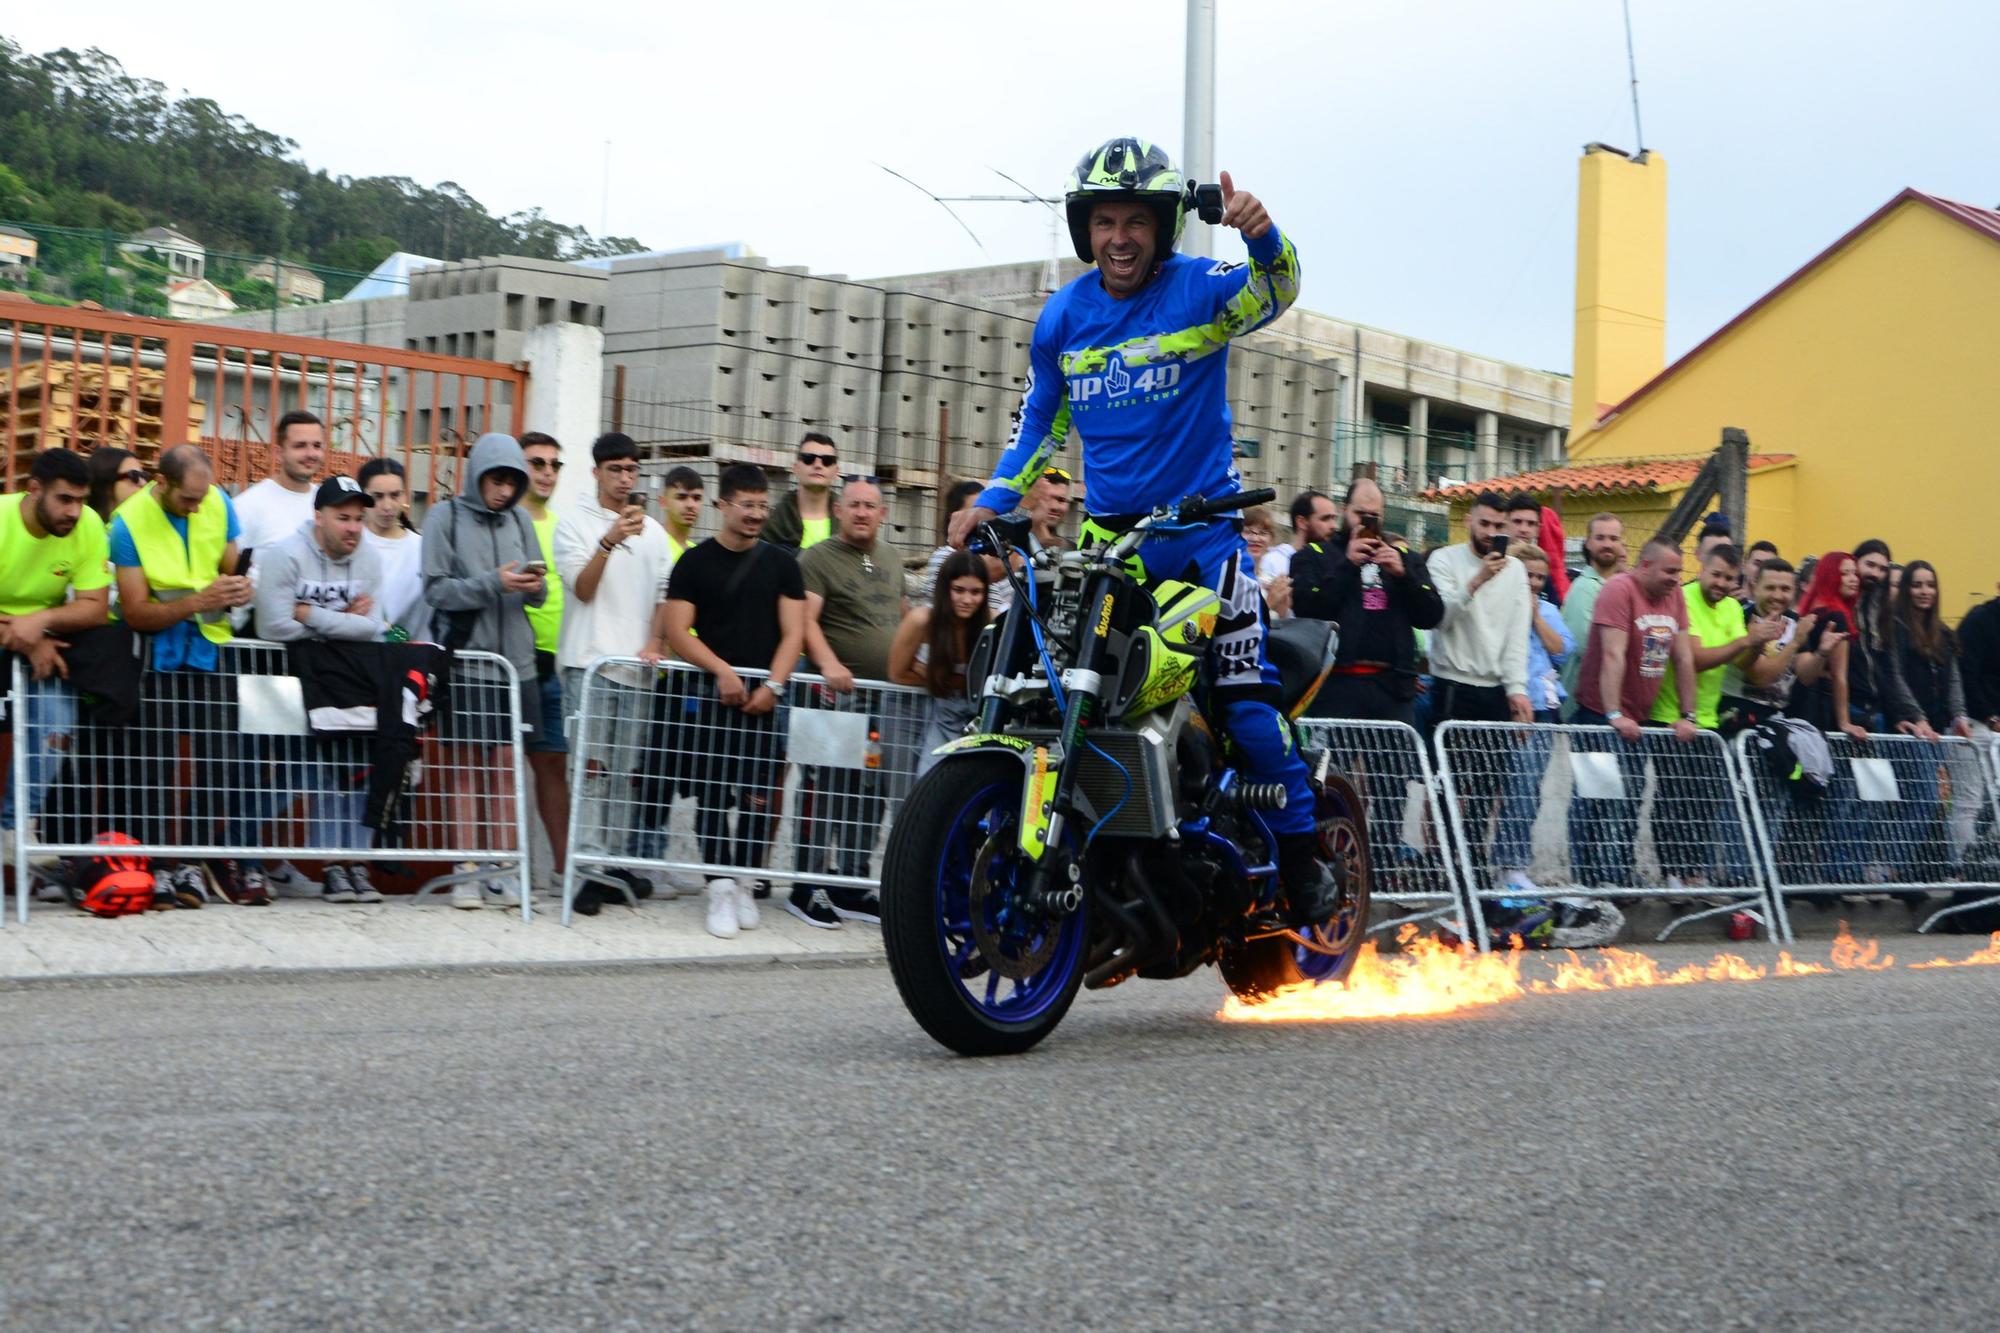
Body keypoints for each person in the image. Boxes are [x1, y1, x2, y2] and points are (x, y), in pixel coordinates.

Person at [946, 136, 1342, 926]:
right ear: (1083, 230)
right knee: (1050, 690)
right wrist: (992, 497)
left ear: (1161, 228)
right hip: (1109, 548)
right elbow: (1038, 427)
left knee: (1245, 703)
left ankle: (1305, 865)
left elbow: (1279, 287)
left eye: (1135, 221)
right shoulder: (1062, 318)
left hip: (1206, 540)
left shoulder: (1199, 290)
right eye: (1103, 221)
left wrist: (1261, 233)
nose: (1119, 236)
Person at [663, 463, 805, 940]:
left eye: (763, 506)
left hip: (766, 700)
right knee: (712, 795)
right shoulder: (694, 563)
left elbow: (795, 632)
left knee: (758, 799)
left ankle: (745, 881)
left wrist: (775, 687)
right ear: (722, 505)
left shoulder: (782, 563)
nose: (756, 514)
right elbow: (676, 631)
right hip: (710, 698)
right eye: (747, 504)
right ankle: (719, 886)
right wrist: (721, 671)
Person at [110, 444, 254, 907]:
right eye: (189, 499)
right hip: (157, 655)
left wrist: (239, 587)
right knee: (156, 767)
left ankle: (191, 862)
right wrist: (200, 601)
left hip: (211, 651)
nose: (198, 506)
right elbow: (134, 611)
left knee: (219, 764)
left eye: (203, 496)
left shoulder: (217, 500)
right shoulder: (127, 522)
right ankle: (155, 865)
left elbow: (229, 568)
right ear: (162, 483)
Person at [421, 432, 548, 909]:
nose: (503, 490)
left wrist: (532, 584)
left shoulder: (520, 518)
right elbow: (436, 589)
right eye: (495, 479)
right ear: (477, 475)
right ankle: (467, 869)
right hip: (471, 662)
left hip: (517, 665)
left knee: (506, 770)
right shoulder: (444, 516)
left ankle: (506, 869)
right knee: (465, 770)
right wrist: (492, 583)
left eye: (512, 481)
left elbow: (541, 593)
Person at [251, 475, 389, 903]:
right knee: (303, 775)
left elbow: (373, 627)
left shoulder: (367, 557)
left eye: (358, 519)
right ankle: (321, 862)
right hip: (289, 682)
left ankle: (356, 865)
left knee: (355, 771)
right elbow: (272, 624)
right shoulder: (286, 555)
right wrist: (341, 619)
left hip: (346, 680)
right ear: (319, 517)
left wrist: (310, 613)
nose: (353, 527)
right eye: (342, 517)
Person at [554, 432, 673, 910]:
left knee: (627, 774)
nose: (625, 479)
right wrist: (608, 541)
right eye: (615, 470)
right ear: (597, 472)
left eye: (631, 470)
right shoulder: (575, 524)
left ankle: (617, 865)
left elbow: (665, 593)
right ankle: (587, 866)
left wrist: (656, 641)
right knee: (589, 772)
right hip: (589, 664)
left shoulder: (657, 533)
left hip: (636, 668)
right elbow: (582, 589)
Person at [798, 477, 905, 924]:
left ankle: (852, 883)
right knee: (824, 788)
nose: (862, 513)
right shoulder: (817, 559)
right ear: (839, 510)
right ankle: (807, 884)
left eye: (871, 506)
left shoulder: (891, 558)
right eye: (854, 505)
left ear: (883, 514)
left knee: (870, 793)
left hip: (884, 699)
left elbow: (900, 618)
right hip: (834, 696)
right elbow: (805, 622)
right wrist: (828, 665)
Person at [1567, 538, 1700, 890]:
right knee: (1595, 799)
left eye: (1678, 572)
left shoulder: (1675, 597)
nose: (1675, 578)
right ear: (1644, 566)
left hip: (1638, 716)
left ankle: (1619, 877)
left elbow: (1684, 658)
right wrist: (1613, 713)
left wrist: (1690, 714)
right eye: (1669, 571)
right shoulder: (1618, 590)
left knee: (1630, 798)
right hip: (1598, 713)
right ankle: (1588, 881)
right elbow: (1613, 655)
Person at [0, 448, 113, 851]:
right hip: (20, 638)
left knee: (56, 724)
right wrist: (29, 633)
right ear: (34, 490)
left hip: (38, 638)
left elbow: (95, 607)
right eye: (64, 500)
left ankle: (13, 832)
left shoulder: (89, 527)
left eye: (81, 501)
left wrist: (39, 625)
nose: (75, 512)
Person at [1648, 544, 1777, 888]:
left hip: (1709, 721)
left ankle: (1693, 872)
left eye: (1729, 578)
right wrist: (1745, 641)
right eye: (1716, 574)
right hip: (1670, 716)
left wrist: (1758, 644)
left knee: (1705, 800)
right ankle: (1671, 873)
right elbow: (1696, 658)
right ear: (1701, 567)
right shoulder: (1683, 597)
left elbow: (1742, 664)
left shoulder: (1734, 607)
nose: (1721, 583)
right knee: (1673, 799)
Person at [1291, 476, 1442, 725]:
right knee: (1333, 763)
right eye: (1359, 513)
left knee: (1395, 764)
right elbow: (1306, 609)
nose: (1366, 522)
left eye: (1374, 515)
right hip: (1335, 684)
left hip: (1393, 688)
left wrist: (1404, 576)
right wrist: (1348, 564)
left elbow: (1432, 615)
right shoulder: (1315, 555)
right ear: (1344, 510)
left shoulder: (1405, 558)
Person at [1881, 560, 1973, 882]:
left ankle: (1899, 868)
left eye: (1929, 585)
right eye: (1917, 585)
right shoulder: (1895, 629)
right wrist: (1917, 717)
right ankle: (1889, 866)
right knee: (1922, 798)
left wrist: (1959, 716)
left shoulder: (1944, 635)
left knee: (1931, 801)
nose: (1924, 592)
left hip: (1939, 730)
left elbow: (1953, 682)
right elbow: (1893, 677)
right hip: (1909, 729)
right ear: (1906, 589)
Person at [1489, 543, 1572, 897]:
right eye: (1528, 575)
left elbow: (1563, 650)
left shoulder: (1549, 610)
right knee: (1498, 790)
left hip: (1541, 709)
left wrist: (1535, 616)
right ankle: (1492, 863)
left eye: (1540, 576)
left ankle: (1514, 865)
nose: (1535, 582)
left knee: (1527, 789)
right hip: (1503, 706)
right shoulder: (1496, 605)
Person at [515, 430, 571, 893]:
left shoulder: (565, 524)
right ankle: (501, 870)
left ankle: (562, 870)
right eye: (537, 463)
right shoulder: (505, 521)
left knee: (553, 765)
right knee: (499, 768)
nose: (547, 472)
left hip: (557, 662)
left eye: (555, 464)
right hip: (509, 661)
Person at [1425, 491, 1533, 729]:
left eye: (1498, 525)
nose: (1491, 533)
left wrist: (1517, 688)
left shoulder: (1516, 570)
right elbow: (1440, 618)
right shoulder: (1443, 560)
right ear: (1468, 521)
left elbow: (1517, 635)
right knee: (1451, 766)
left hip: (1496, 690)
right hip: (1452, 684)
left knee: (1495, 767)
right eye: (1484, 523)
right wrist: (1478, 579)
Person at [890, 550, 989, 779]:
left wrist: (932, 673)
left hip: (969, 716)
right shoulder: (922, 619)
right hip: (913, 708)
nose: (967, 600)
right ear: (945, 590)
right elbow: (897, 673)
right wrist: (944, 680)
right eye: (959, 590)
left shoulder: (989, 623)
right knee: (917, 783)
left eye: (976, 592)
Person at [1717, 558, 1820, 736]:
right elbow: (1762, 678)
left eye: (1785, 589)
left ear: (1794, 590)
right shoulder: (1740, 619)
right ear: (1755, 587)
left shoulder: (1795, 623)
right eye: (1770, 588)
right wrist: (1794, 642)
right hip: (1738, 715)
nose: (1778, 596)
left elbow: (1806, 676)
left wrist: (1823, 653)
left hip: (1777, 716)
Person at [234, 410, 325, 580]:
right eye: (300, 446)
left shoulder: (328, 503)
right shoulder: (248, 505)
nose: (311, 454)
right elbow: (230, 568)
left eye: (317, 445)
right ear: (278, 453)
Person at [1559, 512, 1625, 716]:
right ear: (1587, 543)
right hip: (1583, 704)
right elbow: (1585, 646)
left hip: (1612, 703)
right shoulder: (1585, 588)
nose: (1607, 544)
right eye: (1600, 538)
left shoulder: (1621, 587)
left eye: (1614, 538)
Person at [356, 457, 428, 642]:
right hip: (355, 652)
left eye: (395, 495)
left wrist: (401, 640)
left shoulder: (422, 548)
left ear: (405, 495)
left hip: (406, 656)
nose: (387, 506)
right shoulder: (351, 542)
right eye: (377, 496)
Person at [920, 479, 1011, 615]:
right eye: (972, 513)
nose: (978, 522)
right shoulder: (945, 556)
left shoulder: (999, 559)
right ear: (955, 518)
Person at [761, 431, 838, 553]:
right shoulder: (773, 522)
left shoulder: (848, 522)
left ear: (836, 472)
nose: (818, 465)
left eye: (827, 461)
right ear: (795, 468)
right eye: (809, 459)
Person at [1260, 489, 1334, 587]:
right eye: (1325, 519)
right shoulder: (1271, 562)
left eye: (1334, 518)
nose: (1333, 525)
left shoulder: (1334, 563)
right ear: (1301, 522)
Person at [1240, 505, 1291, 617]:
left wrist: (1283, 599)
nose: (1256, 539)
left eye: (1263, 533)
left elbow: (1282, 621)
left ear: (1271, 539)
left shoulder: (1269, 578)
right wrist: (1269, 602)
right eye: (1249, 532)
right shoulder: (1234, 577)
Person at [85, 446, 146, 524]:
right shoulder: (76, 525)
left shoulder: (134, 527)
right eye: (134, 475)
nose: (143, 483)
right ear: (108, 482)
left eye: (144, 475)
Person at [1028, 466, 1073, 552]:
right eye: (1046, 499)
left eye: (1061, 500)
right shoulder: (1007, 544)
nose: (1054, 507)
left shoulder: (1073, 551)